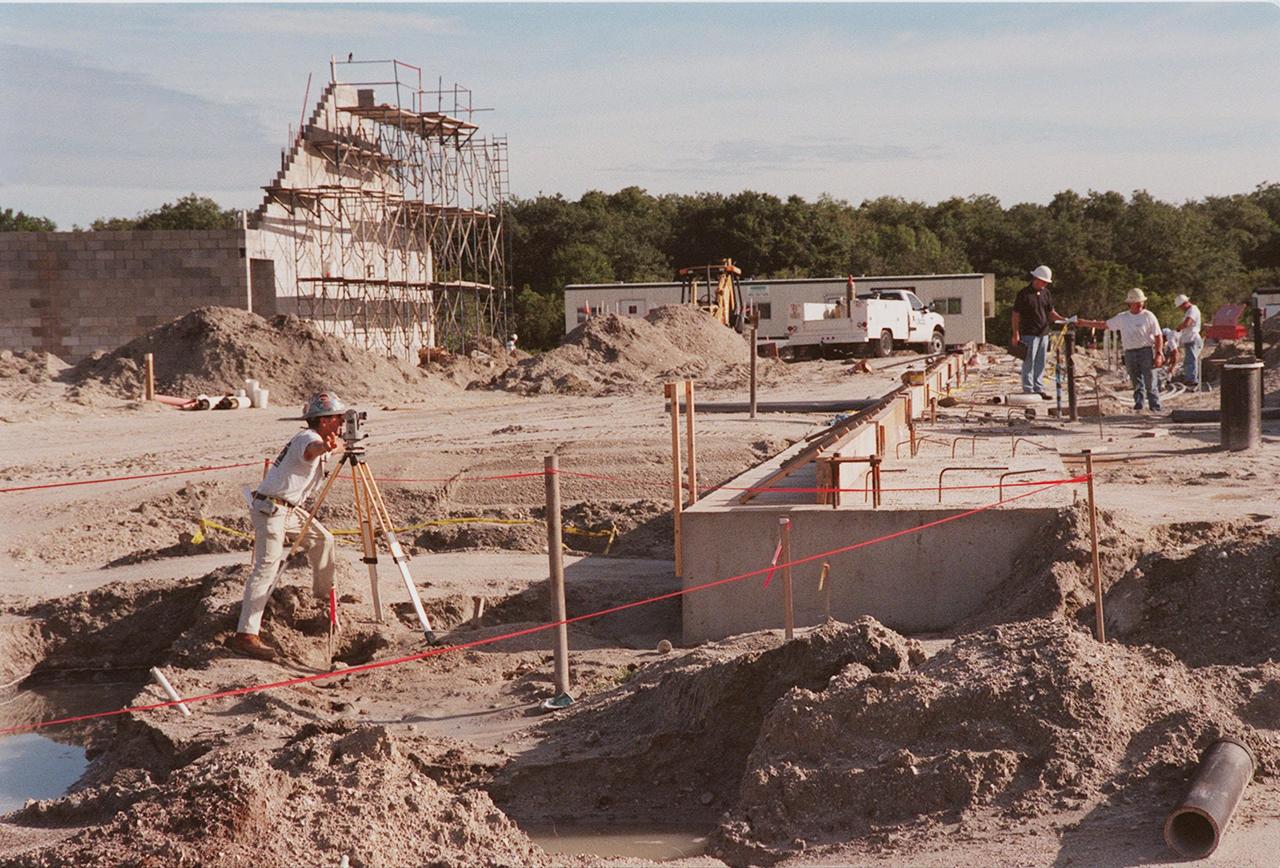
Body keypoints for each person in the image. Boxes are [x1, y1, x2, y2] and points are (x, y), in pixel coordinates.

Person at [229, 391, 346, 660]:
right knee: (266, 568)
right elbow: (311, 451)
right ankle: (245, 635)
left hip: (288, 509)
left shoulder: (319, 437)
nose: (341, 421)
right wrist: (327, 448)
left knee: (324, 540)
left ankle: (323, 598)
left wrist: (335, 446)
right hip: (272, 508)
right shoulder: (309, 438)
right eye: (337, 417)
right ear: (323, 420)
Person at [1078, 288, 1164, 412]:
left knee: (1150, 380)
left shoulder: (1148, 316)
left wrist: (1159, 353)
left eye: (1141, 302)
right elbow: (1104, 325)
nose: (1140, 304)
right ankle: (1139, 404)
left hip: (1145, 350)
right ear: (1130, 304)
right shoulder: (1123, 318)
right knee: (1136, 380)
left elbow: (1158, 335)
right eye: (1137, 302)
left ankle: (1155, 406)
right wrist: (1085, 323)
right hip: (1129, 352)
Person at [1010, 265, 1067, 398]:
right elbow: (1015, 315)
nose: (1045, 284)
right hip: (1029, 333)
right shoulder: (1024, 294)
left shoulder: (1046, 293)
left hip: (1043, 332)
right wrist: (1015, 333)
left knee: (1040, 361)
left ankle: (1038, 387)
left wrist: (1064, 319)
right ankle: (1029, 388)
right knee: (1029, 361)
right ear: (1036, 279)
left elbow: (1050, 312)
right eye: (1044, 281)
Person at [1172, 293, 1203, 388]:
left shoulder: (1192, 310)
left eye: (1180, 307)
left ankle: (1192, 380)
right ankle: (1190, 378)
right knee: (1189, 360)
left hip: (1193, 339)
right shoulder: (1189, 311)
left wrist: (1178, 327)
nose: (1180, 309)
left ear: (1184, 303)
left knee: (1191, 360)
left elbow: (1187, 323)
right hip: (1190, 340)